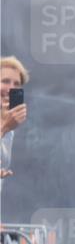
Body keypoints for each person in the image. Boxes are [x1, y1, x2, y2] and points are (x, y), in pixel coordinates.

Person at [1, 56, 29, 184]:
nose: (11, 88)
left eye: (16, 84)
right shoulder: (7, 125)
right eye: (5, 81)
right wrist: (4, 127)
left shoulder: (9, 125)